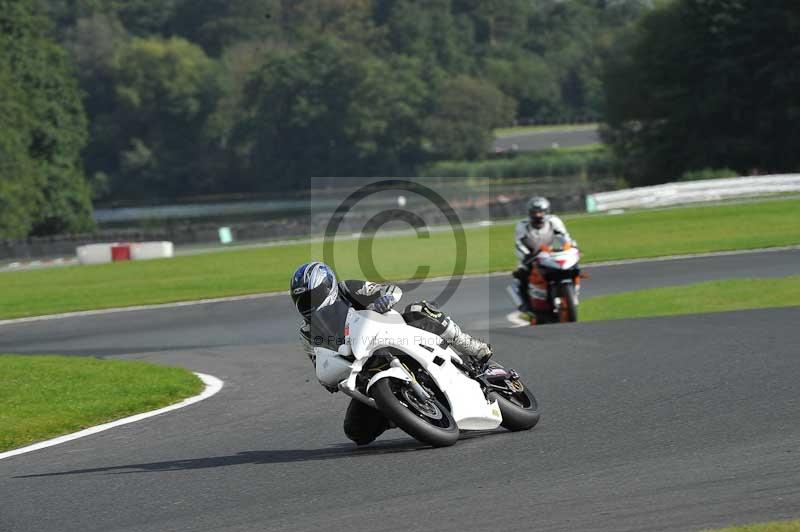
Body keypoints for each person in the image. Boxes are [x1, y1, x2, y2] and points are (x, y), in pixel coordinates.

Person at [290, 261, 491, 445]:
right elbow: (319, 362)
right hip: (364, 372)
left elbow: (389, 290)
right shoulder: (307, 333)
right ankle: (401, 413)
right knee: (356, 432)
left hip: (390, 335)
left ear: (328, 288)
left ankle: (470, 345)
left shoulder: (347, 289)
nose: (308, 304)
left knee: (418, 310)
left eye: (311, 297)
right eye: (301, 300)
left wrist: (385, 299)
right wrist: (328, 378)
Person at [511, 196, 572, 318]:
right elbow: (518, 243)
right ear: (530, 213)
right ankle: (525, 304)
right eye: (535, 212)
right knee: (521, 275)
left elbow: (564, 236)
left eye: (541, 212)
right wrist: (527, 255)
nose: (538, 215)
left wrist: (570, 246)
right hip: (529, 256)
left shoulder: (554, 221)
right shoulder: (522, 225)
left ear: (546, 212)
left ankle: (570, 293)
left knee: (567, 267)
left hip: (549, 253)